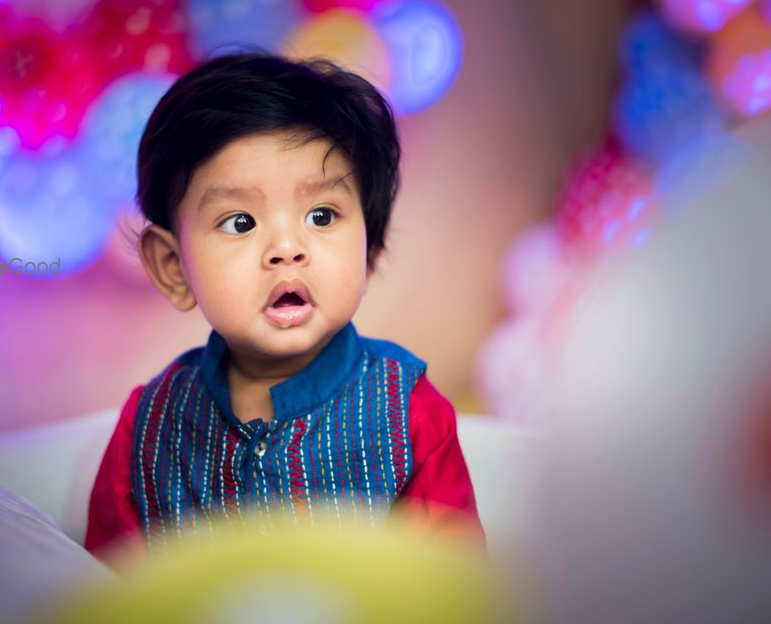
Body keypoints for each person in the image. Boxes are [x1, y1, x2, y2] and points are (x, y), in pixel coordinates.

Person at [84, 53, 484, 562]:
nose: (286, 248)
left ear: (371, 248)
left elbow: (453, 589)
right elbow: (107, 592)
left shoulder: (407, 412)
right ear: (172, 265)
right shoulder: (150, 428)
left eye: (321, 215)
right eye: (240, 223)